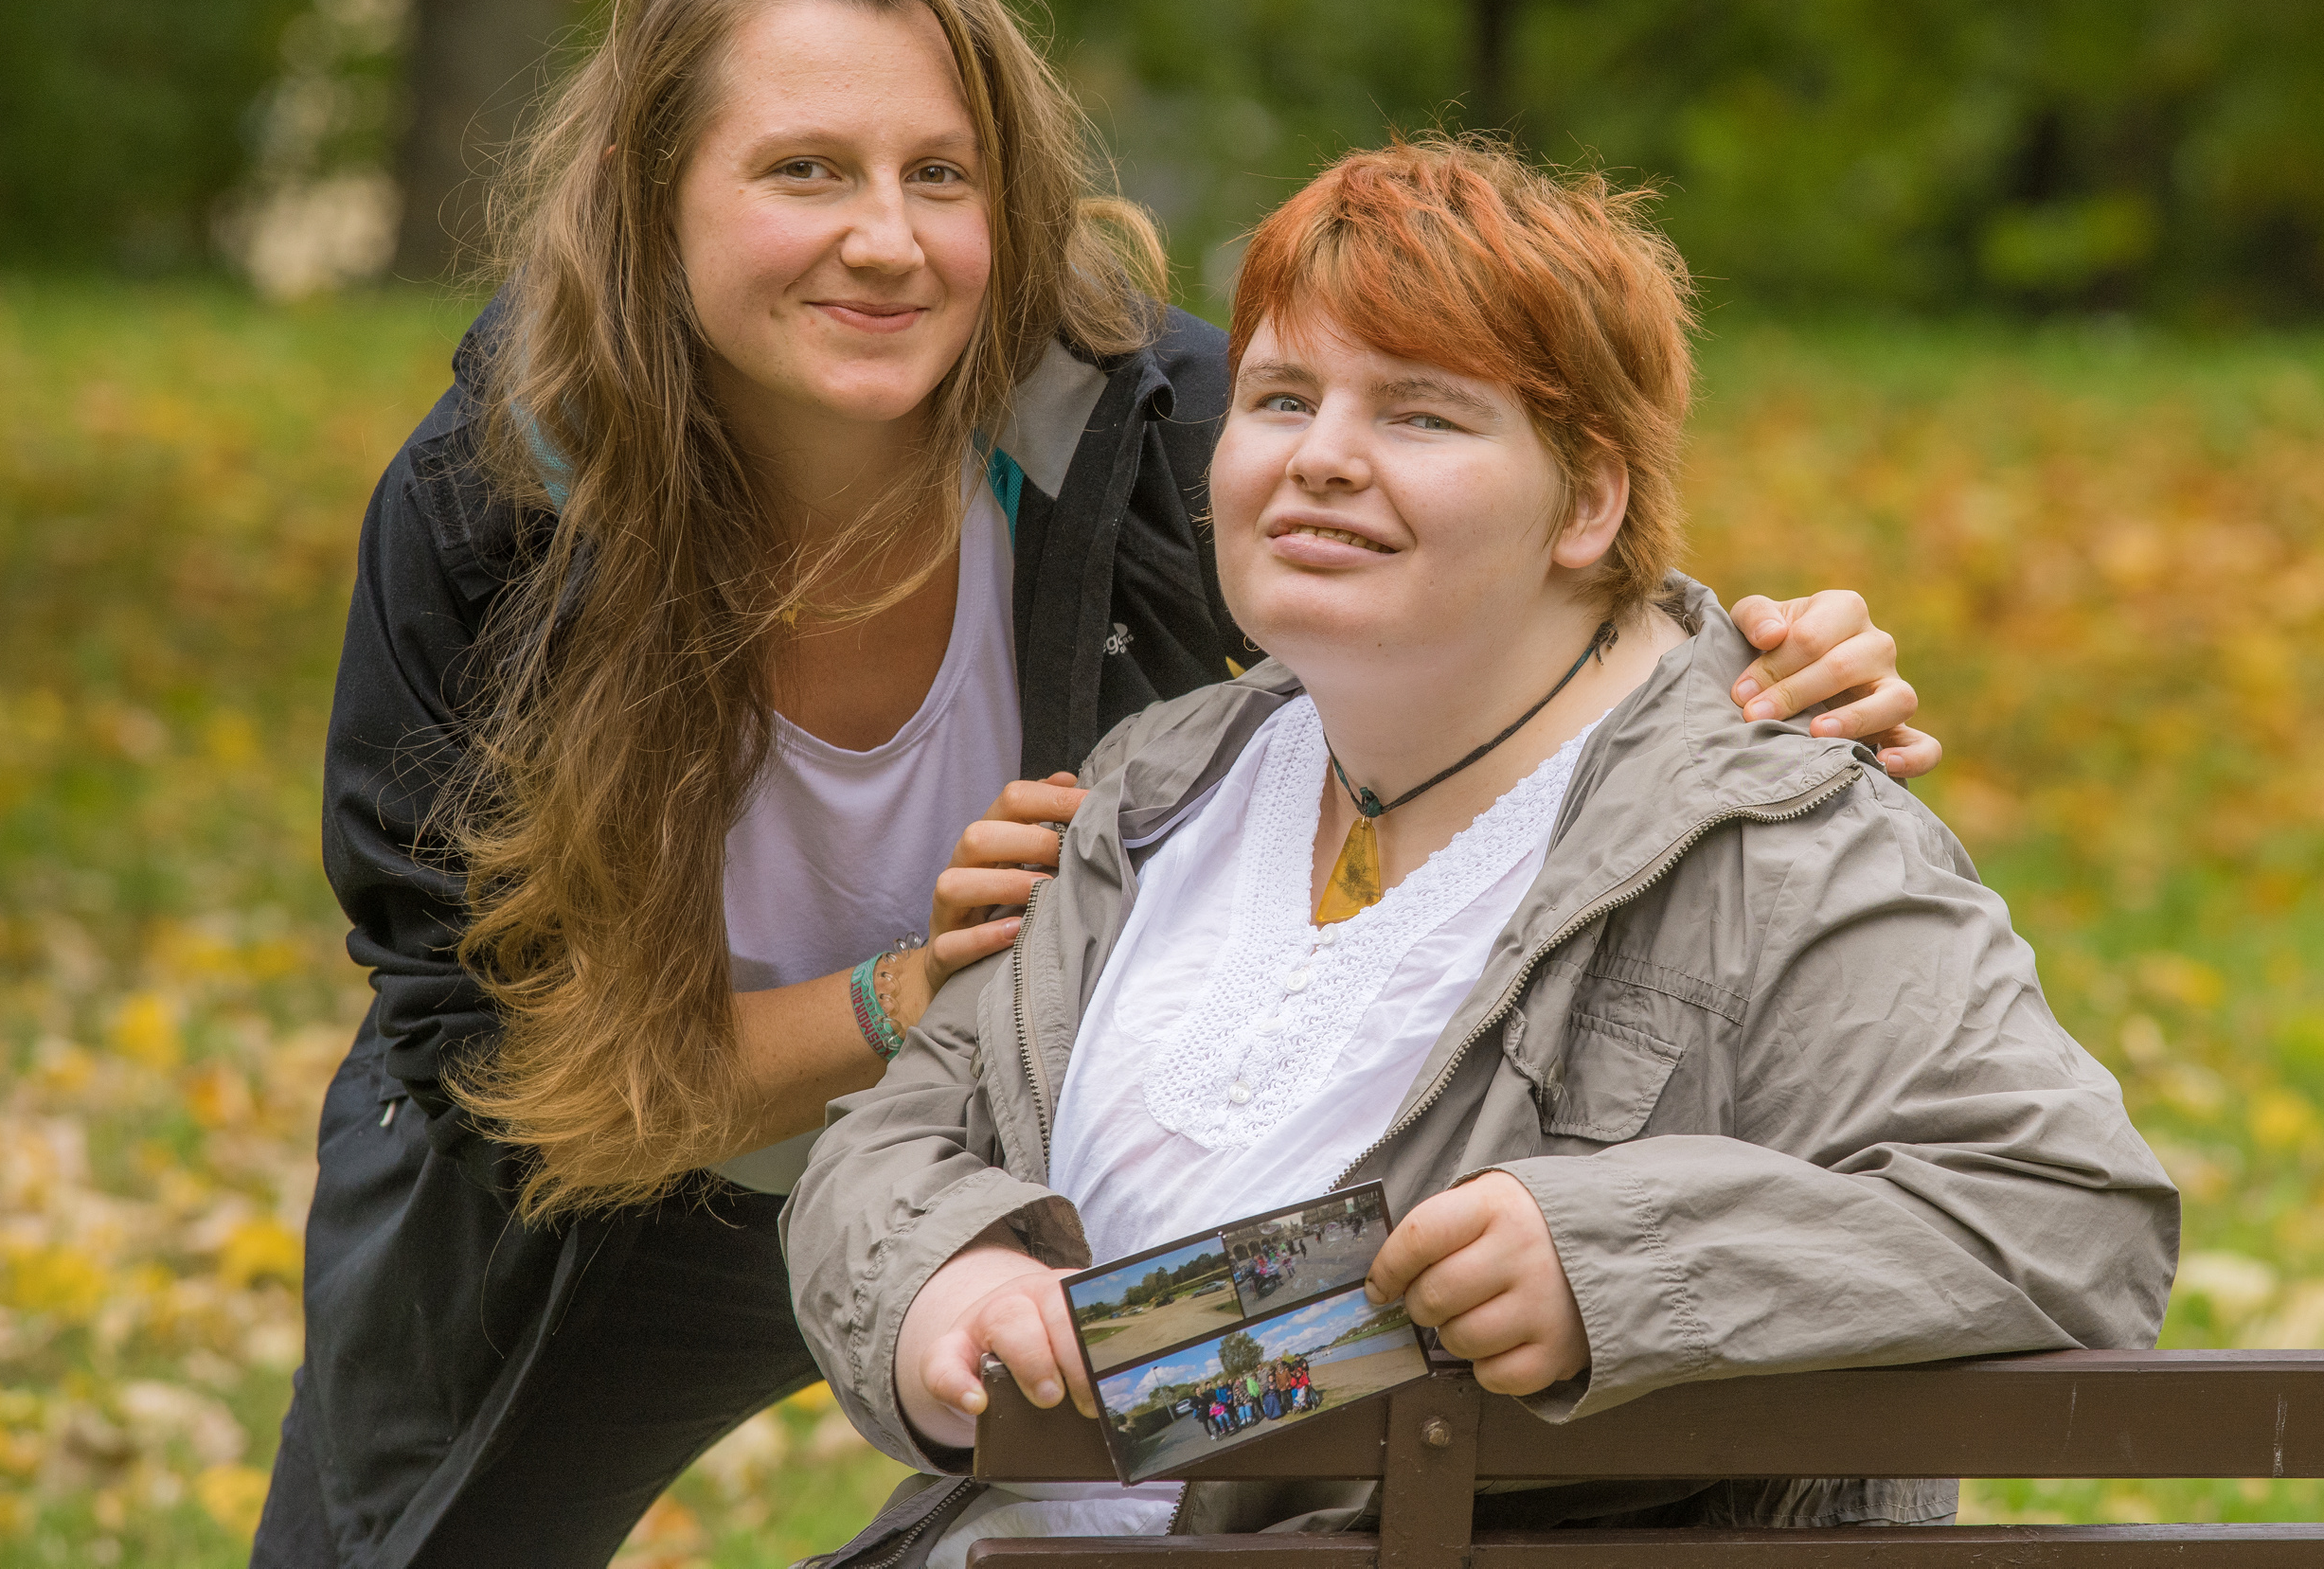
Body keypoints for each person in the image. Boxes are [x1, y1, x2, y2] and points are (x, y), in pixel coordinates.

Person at [257, 0, 1938, 1569]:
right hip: (604, 1200)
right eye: (803, 171)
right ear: (651, 201)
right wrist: (904, 995)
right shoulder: (495, 512)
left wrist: (1738, 662)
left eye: (942, 173)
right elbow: (499, 1069)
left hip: (1036, 1195)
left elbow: (1486, 566)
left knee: (1127, 1498)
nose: (887, 239)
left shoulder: (1124, 417)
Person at [782, 137, 2179, 1565]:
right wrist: (944, 1275)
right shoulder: (1156, 784)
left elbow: (2066, 1217)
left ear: (1588, 502)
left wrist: (1610, 1263)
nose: (1320, 457)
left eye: (1422, 416)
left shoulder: (1771, 837)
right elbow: (896, 1145)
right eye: (1278, 397)